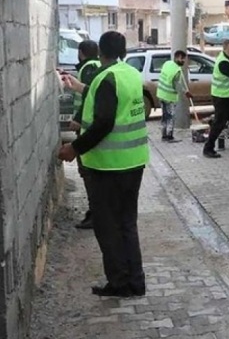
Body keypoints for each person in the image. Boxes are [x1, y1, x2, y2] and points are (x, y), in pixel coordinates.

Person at [57, 31, 149, 298]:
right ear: (123, 51)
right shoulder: (129, 73)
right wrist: (80, 87)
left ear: (100, 52)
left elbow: (104, 122)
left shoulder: (105, 77)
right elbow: (112, 102)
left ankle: (120, 283)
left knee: (108, 226)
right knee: (127, 224)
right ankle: (136, 281)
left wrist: (74, 148)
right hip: (134, 162)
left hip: (108, 167)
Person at [69, 40, 100, 230]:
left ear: (81, 53)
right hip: (90, 127)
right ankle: (96, 211)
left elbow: (90, 96)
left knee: (87, 171)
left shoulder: (88, 68)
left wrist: (78, 119)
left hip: (87, 128)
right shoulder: (96, 66)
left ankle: (96, 213)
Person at [157, 50, 193, 143]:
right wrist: (186, 92)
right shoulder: (177, 71)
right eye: (182, 59)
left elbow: (181, 82)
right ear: (177, 58)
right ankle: (169, 136)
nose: (184, 61)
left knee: (164, 116)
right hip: (169, 97)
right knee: (171, 117)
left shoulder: (167, 63)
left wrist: (186, 91)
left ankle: (164, 135)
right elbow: (179, 85)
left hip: (161, 94)